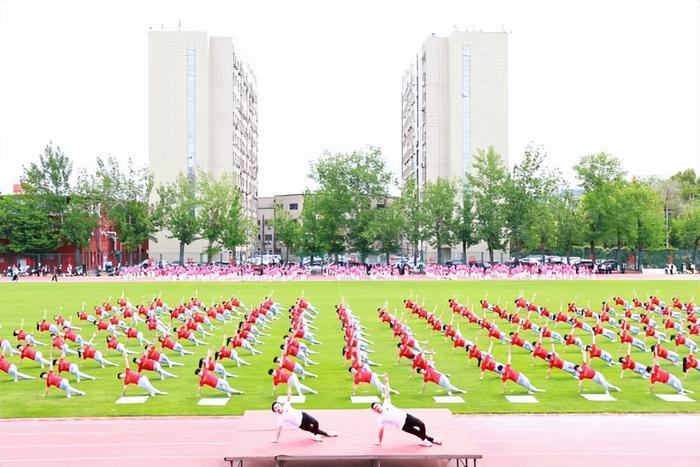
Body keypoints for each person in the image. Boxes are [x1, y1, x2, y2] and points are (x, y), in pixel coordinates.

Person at [371, 374, 442, 447]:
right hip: (403, 426)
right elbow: (381, 431)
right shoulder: (380, 419)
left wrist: (386, 381)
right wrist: (380, 442)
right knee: (417, 433)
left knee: (421, 424)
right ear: (374, 411)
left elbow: (387, 392)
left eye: (377, 406)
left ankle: (427, 440)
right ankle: (430, 440)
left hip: (407, 417)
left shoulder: (386, 404)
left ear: (379, 405)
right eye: (375, 408)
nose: (377, 408)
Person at [271, 384, 338, 442]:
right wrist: (276, 439)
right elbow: (279, 429)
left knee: (315, 422)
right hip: (301, 424)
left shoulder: (286, 405)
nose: (277, 408)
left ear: (280, 405)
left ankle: (315, 435)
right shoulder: (281, 418)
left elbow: (289, 396)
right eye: (275, 408)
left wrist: (289, 386)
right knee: (313, 429)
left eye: (277, 406)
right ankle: (327, 434)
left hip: (303, 416)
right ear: (275, 411)